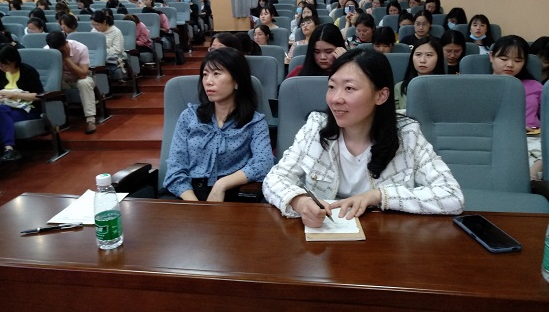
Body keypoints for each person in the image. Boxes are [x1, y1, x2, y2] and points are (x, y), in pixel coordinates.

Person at [263, 49, 464, 226]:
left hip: (384, 239)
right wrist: (300, 202)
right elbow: (274, 179)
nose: (336, 98)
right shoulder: (316, 127)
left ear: (381, 96)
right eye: (332, 87)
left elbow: (452, 195)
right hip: (324, 235)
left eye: (349, 88)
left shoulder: (407, 134)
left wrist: (378, 196)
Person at [163, 47, 275, 201]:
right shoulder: (189, 116)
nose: (208, 81)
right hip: (187, 195)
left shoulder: (254, 121)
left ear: (236, 80)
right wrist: (195, 206)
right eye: (205, 74)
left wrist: (221, 184)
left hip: (231, 194)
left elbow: (264, 163)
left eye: (216, 74)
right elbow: (175, 167)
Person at [489, 35, 543, 179]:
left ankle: (532, 177)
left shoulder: (535, 87)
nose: (510, 64)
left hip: (533, 137)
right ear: (491, 57)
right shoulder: (480, 86)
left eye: (518, 60)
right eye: (504, 59)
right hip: (496, 138)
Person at [45, 31, 97, 134]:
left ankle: (90, 120)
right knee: (51, 85)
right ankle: (55, 122)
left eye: (59, 49)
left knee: (84, 83)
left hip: (79, 79)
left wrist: (67, 58)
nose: (57, 52)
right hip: (62, 80)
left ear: (65, 43)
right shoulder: (47, 51)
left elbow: (82, 74)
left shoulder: (80, 48)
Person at [0, 43, 44, 161]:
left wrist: (14, 94)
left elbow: (39, 96)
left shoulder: (28, 71)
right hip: (5, 107)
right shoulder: (0, 72)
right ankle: (8, 150)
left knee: (0, 113)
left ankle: (9, 149)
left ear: (14, 60)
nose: (1, 67)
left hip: (28, 108)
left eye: (4, 64)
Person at [394, 36, 445, 110]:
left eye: (429, 55)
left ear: (439, 58)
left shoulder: (446, 87)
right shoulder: (399, 87)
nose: (422, 60)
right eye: (418, 54)